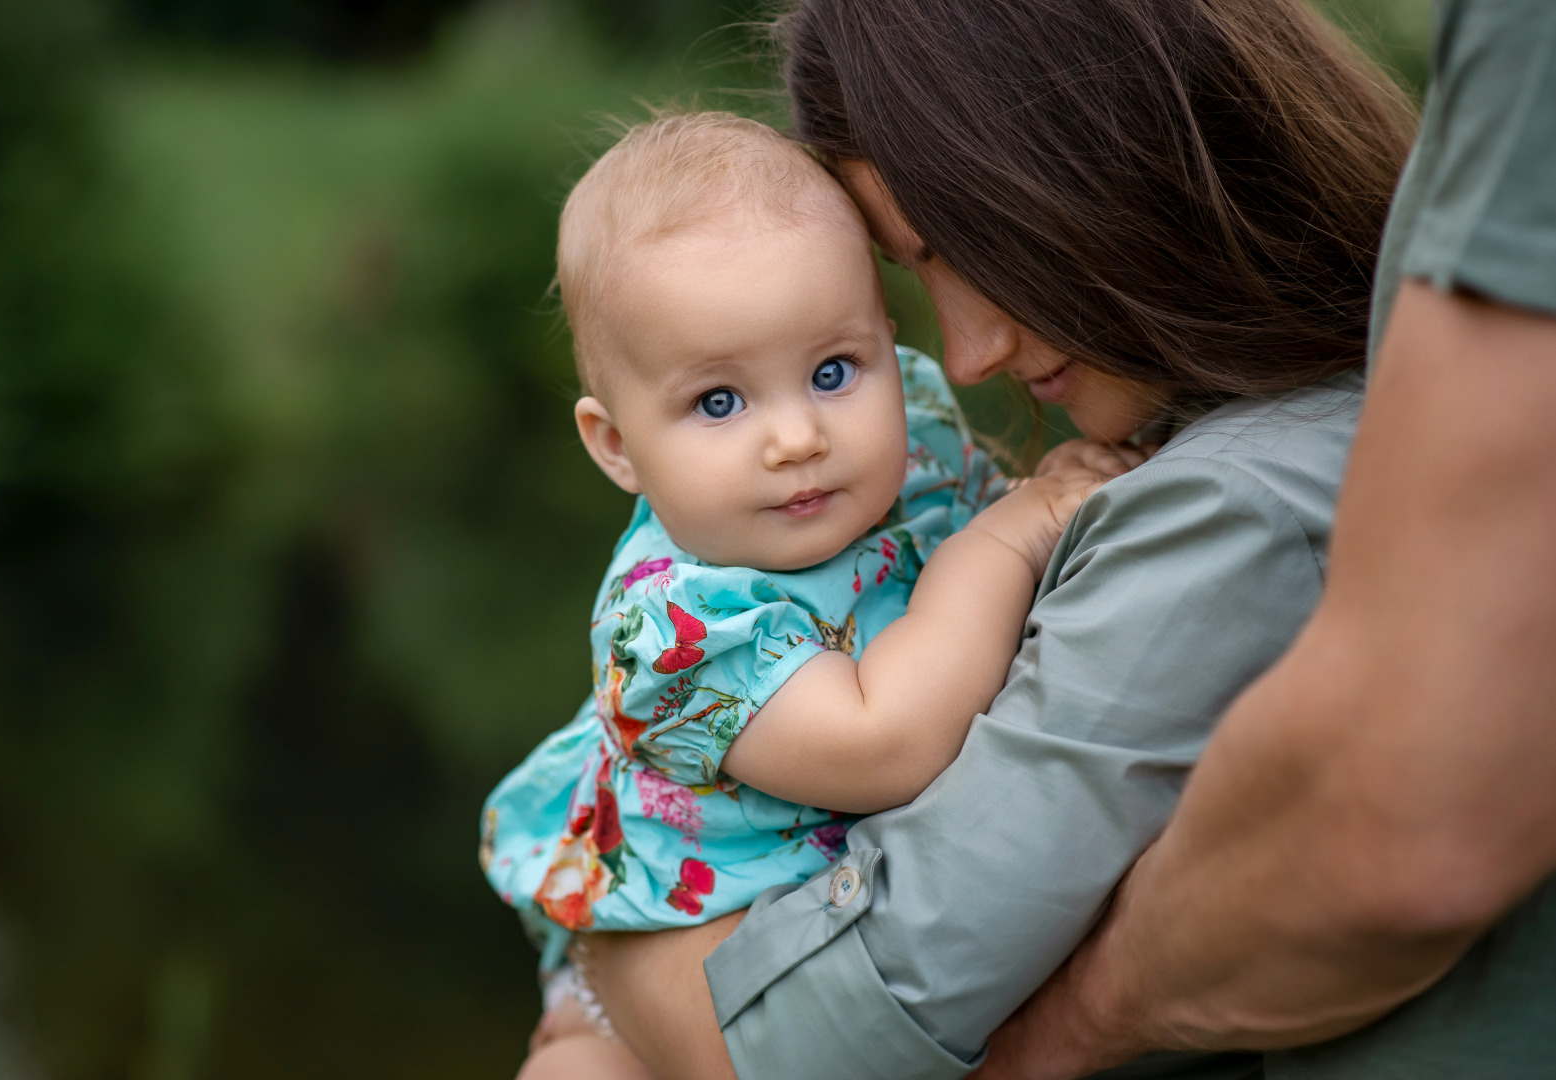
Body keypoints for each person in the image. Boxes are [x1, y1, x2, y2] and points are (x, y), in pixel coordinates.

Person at [569, 1, 1420, 1078]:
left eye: (837, 369)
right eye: (921, 272)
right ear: (613, 443)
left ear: (1111, 161)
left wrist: (597, 970)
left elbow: (814, 1050)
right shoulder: (688, 613)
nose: (965, 356)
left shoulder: (1230, 510)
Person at [969, 1, 1556, 1077]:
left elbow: (1402, 827)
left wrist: (1067, 1024)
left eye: (967, 237)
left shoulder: (1228, 504)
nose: (964, 350)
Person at [480, 112, 1132, 1079]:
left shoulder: (909, 435)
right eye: (719, 402)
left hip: (823, 945)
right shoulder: (673, 627)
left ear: (884, 339)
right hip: (658, 974)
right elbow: (885, 744)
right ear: (615, 446)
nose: (796, 437)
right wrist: (1012, 531)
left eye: (833, 371)